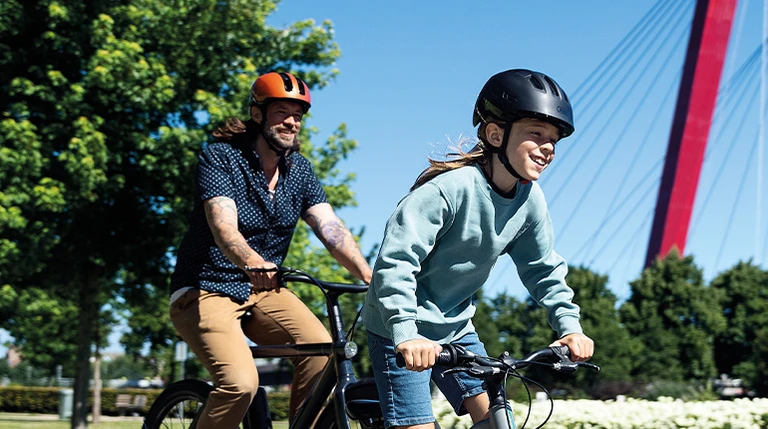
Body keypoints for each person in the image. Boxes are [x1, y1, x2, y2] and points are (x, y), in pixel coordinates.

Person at [361, 69, 595, 429]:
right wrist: (406, 333)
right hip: (399, 326)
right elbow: (396, 263)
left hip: (455, 327)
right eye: (536, 133)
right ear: (495, 133)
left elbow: (542, 269)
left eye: (554, 140)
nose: (548, 148)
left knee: (498, 420)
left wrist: (569, 326)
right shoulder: (450, 190)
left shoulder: (529, 202)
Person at [169, 71, 372, 429]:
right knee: (240, 384)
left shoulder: (300, 172)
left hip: (264, 290)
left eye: (298, 115)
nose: (292, 122)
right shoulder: (221, 159)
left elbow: (331, 229)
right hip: (205, 288)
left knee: (324, 352)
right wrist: (252, 261)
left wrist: (370, 276)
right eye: (282, 112)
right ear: (258, 114)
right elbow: (223, 227)